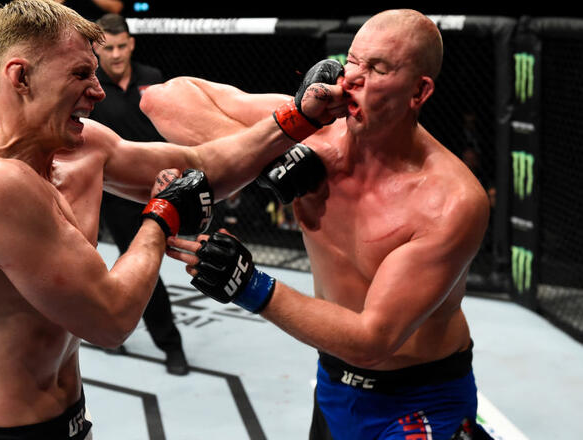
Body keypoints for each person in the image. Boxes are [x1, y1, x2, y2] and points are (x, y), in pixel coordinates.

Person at [0, 0, 339, 438]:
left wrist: (301, 116)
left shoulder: (83, 147)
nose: (99, 91)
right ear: (20, 76)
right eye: (81, 74)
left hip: (70, 419)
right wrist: (161, 216)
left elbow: (202, 166)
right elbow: (111, 320)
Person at [146, 9, 494, 440]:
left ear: (418, 92)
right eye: (352, 60)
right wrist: (274, 148)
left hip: (421, 399)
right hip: (333, 382)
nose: (352, 79)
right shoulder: (312, 130)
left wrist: (247, 284)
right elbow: (163, 98)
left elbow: (372, 340)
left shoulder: (451, 200)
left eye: (378, 68)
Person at [90, 12, 189, 375]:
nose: (115, 55)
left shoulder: (153, 79)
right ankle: (170, 345)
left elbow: (170, 131)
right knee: (142, 266)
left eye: (121, 46)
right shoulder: (91, 86)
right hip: (114, 194)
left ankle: (112, 332)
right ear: (97, 50)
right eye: (108, 48)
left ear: (131, 43)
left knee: (146, 264)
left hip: (158, 186)